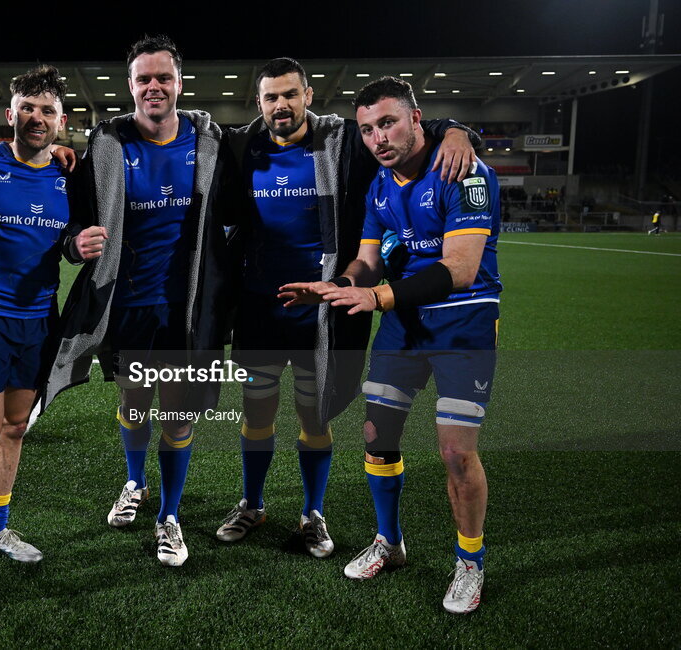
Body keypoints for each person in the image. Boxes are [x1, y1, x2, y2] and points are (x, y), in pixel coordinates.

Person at [221, 59, 479, 556]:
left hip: (322, 308)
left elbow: (401, 127)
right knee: (256, 412)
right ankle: (252, 504)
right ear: (259, 104)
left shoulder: (340, 142)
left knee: (315, 415)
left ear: (308, 95)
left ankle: (312, 514)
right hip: (258, 307)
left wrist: (457, 130)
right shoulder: (242, 145)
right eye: (271, 97)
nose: (281, 105)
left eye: (290, 94)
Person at [282, 76, 501, 614]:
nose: (378, 138)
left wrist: (376, 297)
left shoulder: (463, 170)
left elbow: (461, 268)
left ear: (416, 118)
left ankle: (469, 561)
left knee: (455, 452)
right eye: (367, 130)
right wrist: (339, 283)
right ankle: (390, 542)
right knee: (377, 437)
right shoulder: (380, 187)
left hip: (462, 324)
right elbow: (368, 259)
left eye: (387, 123)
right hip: (403, 324)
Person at [34, 34, 233, 567]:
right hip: (127, 309)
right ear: (130, 86)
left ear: (179, 83)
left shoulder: (211, 141)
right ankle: (133, 482)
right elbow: (68, 217)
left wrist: (450, 130)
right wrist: (72, 242)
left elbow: (291, 136)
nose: (153, 87)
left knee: (180, 417)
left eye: (162, 77)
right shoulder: (107, 143)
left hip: (187, 312)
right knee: (133, 405)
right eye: (143, 79)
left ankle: (169, 515)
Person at [0, 65, 106, 612]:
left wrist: (73, 248)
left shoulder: (69, 175)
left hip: (41, 320)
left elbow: (67, 239)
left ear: (62, 121)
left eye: (47, 111)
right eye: (28, 109)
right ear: (10, 114)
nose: (37, 118)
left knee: (15, 429)